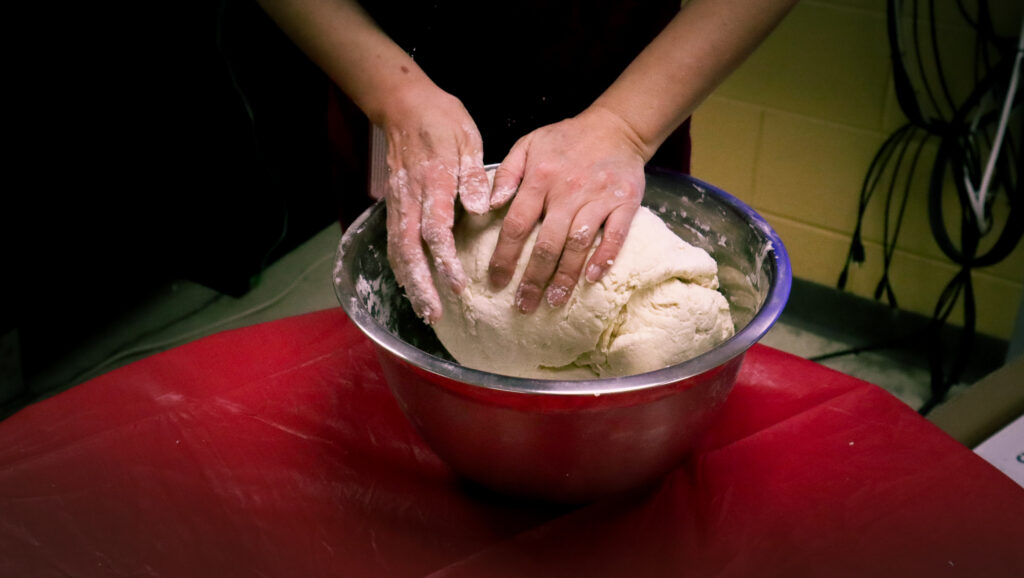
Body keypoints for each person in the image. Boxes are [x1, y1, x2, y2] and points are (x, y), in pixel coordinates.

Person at [256, 0, 797, 323]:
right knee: (412, 304)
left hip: (625, 88)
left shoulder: (626, 122)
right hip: (395, 86)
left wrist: (626, 126)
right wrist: (391, 96)